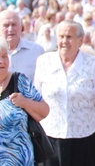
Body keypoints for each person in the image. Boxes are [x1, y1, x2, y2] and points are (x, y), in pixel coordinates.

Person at [34, 20, 95, 166]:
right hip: (51, 137)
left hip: (85, 138)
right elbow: (36, 98)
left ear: (80, 41)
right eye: (61, 36)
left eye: (69, 37)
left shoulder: (92, 64)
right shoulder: (44, 62)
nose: (64, 41)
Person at [0, 37, 50, 166]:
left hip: (20, 160)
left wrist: (25, 103)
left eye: (4, 56)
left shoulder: (19, 81)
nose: (2, 61)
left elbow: (44, 111)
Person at [0, 10, 44, 80]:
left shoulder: (36, 51)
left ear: (21, 27)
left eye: (14, 24)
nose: (10, 29)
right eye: (6, 25)